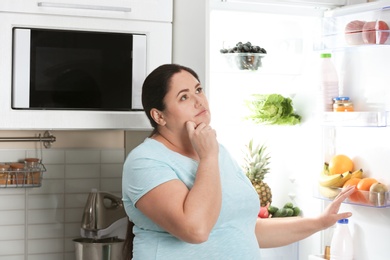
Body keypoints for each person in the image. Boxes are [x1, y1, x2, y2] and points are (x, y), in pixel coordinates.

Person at [121, 64, 355, 259]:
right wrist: (208, 157)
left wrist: (320, 222)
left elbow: (245, 229)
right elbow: (196, 230)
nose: (198, 101)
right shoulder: (145, 161)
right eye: (184, 97)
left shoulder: (217, 152)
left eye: (198, 90)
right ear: (158, 116)